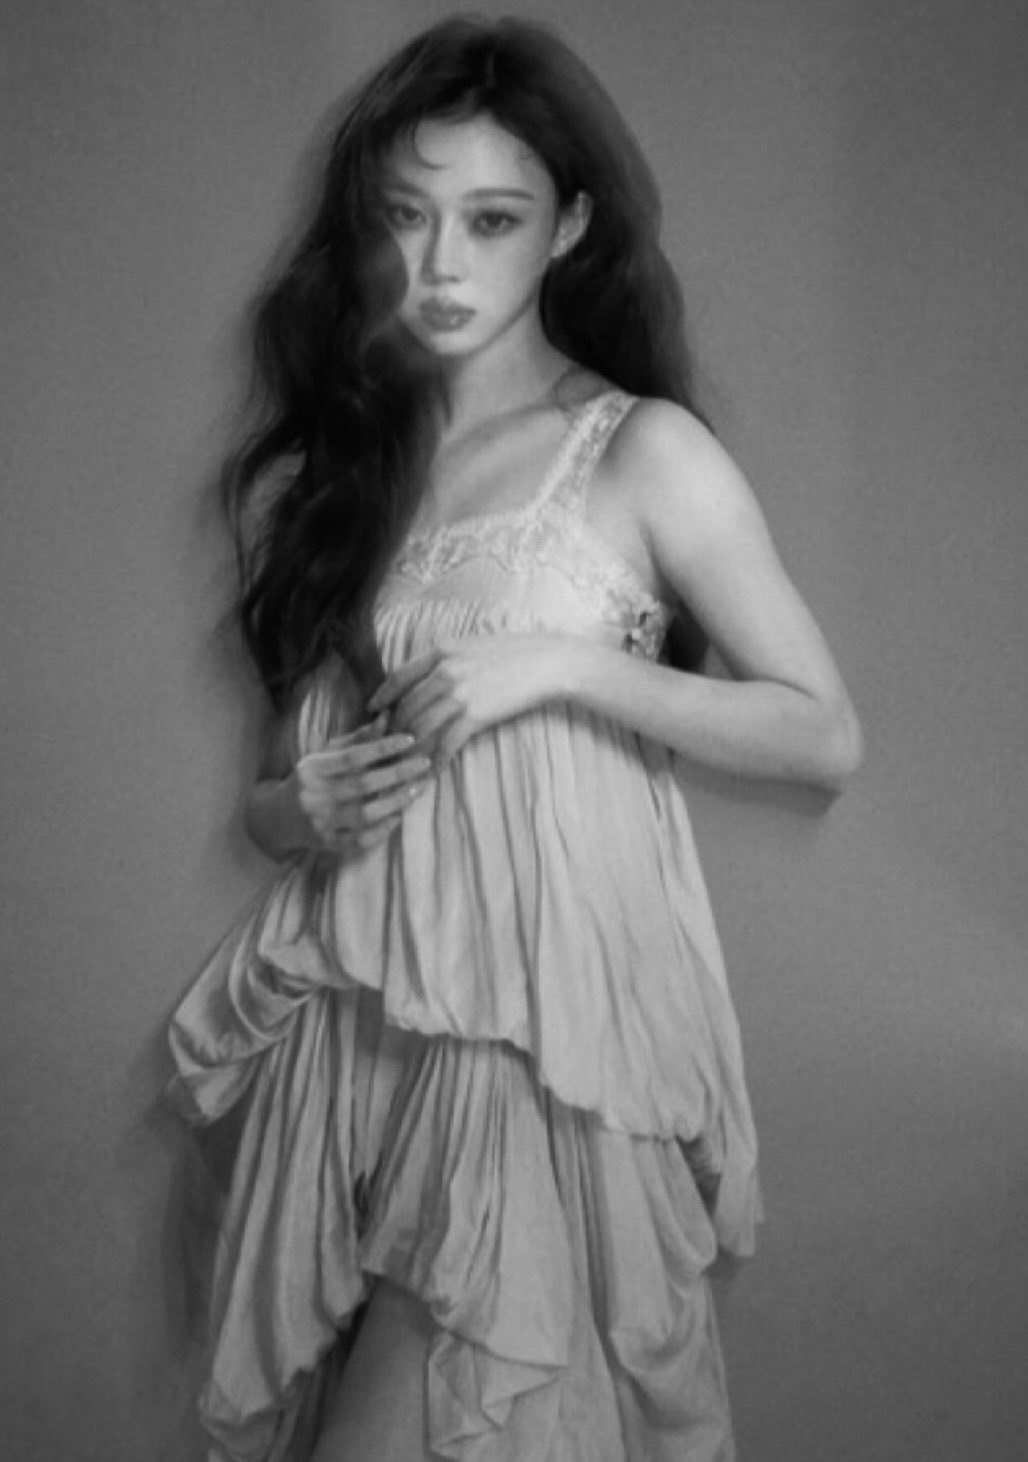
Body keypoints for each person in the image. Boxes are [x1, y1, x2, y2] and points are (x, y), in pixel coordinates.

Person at [168, 15, 862, 1462]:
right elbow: (269, 806)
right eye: (406, 217)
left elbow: (822, 734)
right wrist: (310, 806)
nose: (440, 265)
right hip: (369, 1048)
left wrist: (560, 666)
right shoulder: (344, 474)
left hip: (544, 1053)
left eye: (491, 220)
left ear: (570, 227)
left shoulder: (642, 450)